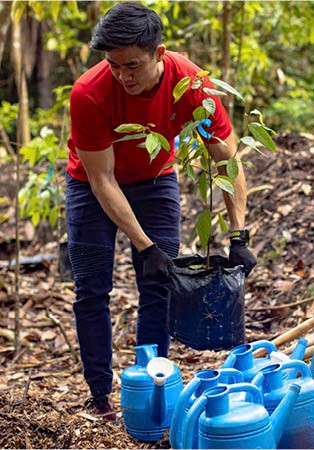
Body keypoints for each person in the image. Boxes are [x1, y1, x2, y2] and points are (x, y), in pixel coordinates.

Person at [66, 2, 257, 418]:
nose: (123, 76)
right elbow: (102, 180)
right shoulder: (88, 93)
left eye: (132, 65)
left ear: (159, 52)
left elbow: (226, 158)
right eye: (113, 65)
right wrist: (144, 244)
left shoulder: (189, 84)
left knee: (159, 285)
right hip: (91, 185)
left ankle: (150, 391)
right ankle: (99, 395)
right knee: (92, 289)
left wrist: (238, 236)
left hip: (154, 179)